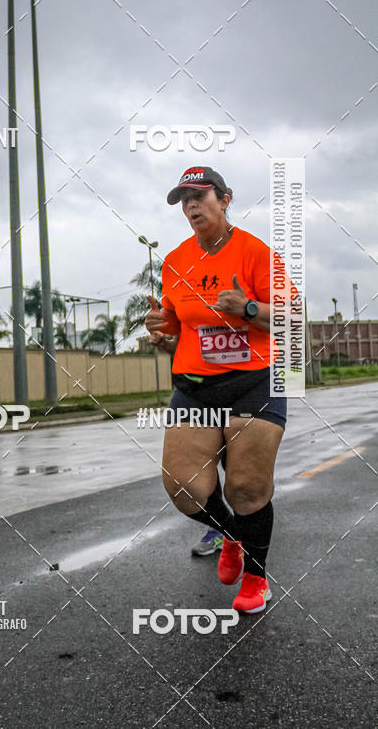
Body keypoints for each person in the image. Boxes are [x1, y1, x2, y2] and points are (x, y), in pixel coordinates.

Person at [145, 166, 290, 614]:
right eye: (183, 199)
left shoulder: (257, 254)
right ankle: (231, 534)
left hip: (256, 380)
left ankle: (256, 577)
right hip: (194, 384)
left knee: (246, 487)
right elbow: (175, 319)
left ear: (225, 199)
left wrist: (248, 308)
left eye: (200, 196)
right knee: (184, 489)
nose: (191, 205)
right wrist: (161, 327)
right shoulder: (175, 260)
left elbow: (294, 319)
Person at [149, 330, 223, 558]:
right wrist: (171, 345)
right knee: (195, 471)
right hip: (196, 386)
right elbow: (189, 341)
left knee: (243, 480)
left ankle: (248, 529)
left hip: (250, 384)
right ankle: (224, 529)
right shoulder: (181, 296)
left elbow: (285, 318)